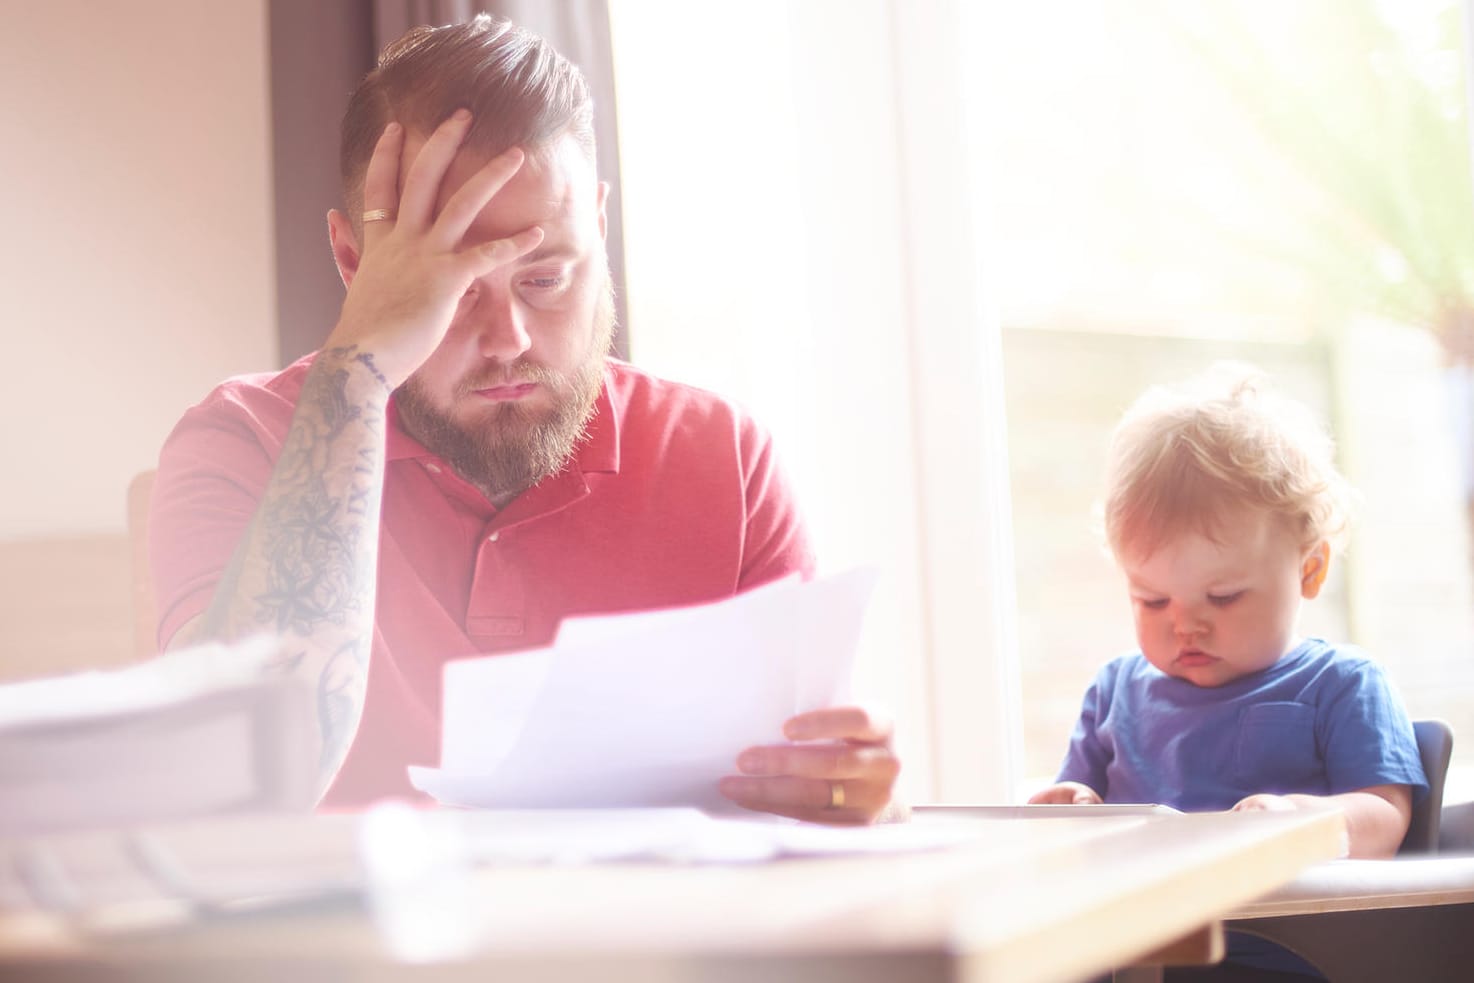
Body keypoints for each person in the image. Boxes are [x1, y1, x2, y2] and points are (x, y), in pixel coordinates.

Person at [149, 14, 900, 824]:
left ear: (600, 229)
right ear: (354, 265)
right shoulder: (239, 444)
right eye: (455, 288)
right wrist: (355, 379)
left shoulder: (727, 459)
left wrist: (849, 795)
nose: (508, 340)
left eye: (545, 279)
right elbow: (239, 784)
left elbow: (809, 802)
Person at [1028, 363, 1427, 978]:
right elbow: (1078, 827)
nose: (1186, 625)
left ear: (1310, 570)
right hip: (1121, 951)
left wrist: (1300, 823)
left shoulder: (1342, 684)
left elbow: (1386, 817)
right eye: (1152, 600)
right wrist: (1071, 805)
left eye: (1224, 598)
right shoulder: (1114, 691)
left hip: (1273, 953)